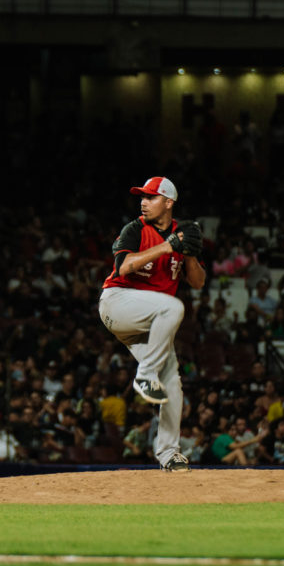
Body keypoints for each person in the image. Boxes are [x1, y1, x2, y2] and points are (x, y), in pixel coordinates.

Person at [98, 176, 206, 472]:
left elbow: (197, 283)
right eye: (142, 197)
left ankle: (169, 454)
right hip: (118, 304)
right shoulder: (134, 229)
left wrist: (190, 255)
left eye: (151, 197)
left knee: (172, 383)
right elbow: (124, 266)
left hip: (150, 320)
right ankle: (145, 375)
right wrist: (167, 247)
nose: (143, 202)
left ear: (168, 203)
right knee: (172, 306)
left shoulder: (182, 234)